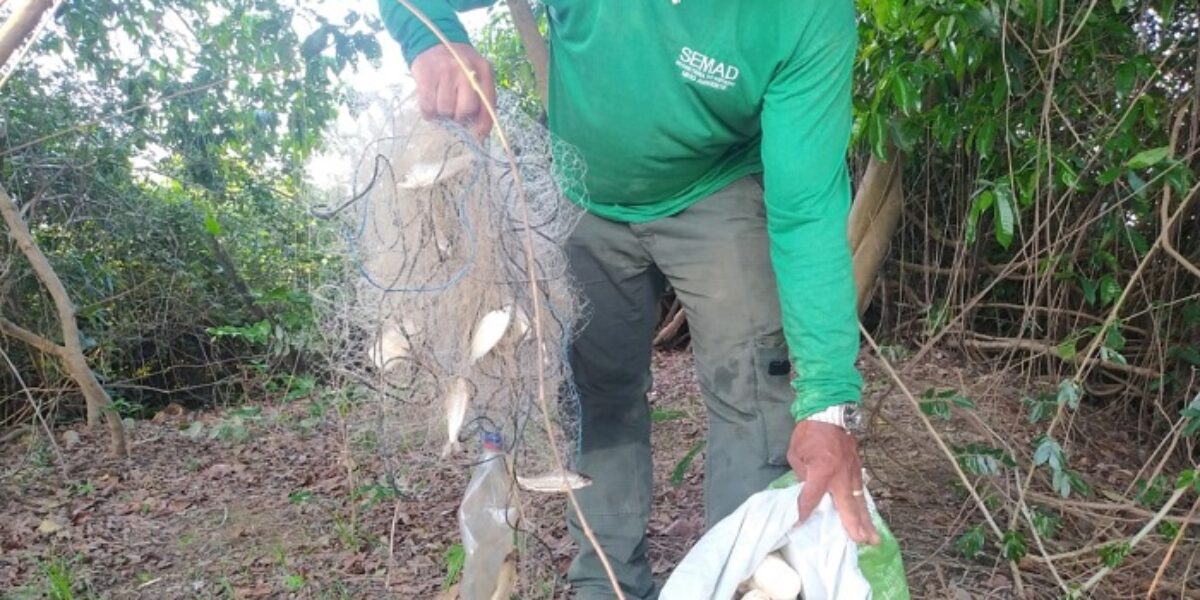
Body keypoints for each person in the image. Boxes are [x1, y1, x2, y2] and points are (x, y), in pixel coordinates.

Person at [379, 2, 880, 598]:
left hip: (716, 187)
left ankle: (741, 577)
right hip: (582, 188)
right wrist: (432, 40)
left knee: (751, 386)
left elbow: (806, 211)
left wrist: (827, 405)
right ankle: (606, 583)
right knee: (597, 394)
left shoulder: (809, 16)